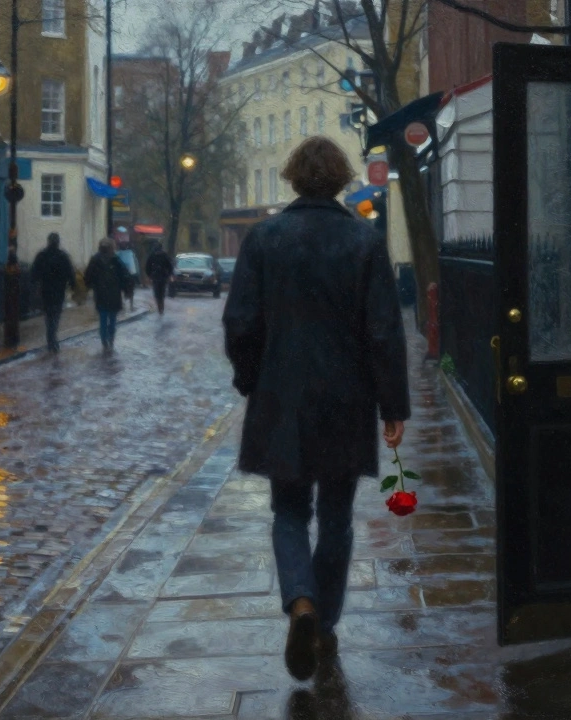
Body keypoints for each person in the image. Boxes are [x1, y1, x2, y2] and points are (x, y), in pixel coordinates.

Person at [223, 136, 410, 682]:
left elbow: (240, 324)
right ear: (341, 179)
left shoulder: (262, 240)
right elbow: (383, 331)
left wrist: (250, 378)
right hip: (347, 399)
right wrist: (392, 404)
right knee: (335, 515)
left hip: (282, 398)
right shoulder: (363, 241)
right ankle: (324, 623)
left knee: (287, 512)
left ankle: (300, 603)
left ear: (293, 178)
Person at [31, 232, 77, 353]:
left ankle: (51, 338)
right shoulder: (63, 256)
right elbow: (70, 272)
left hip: (46, 290)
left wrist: (35, 285)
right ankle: (53, 338)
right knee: (55, 315)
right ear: (58, 242)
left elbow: (34, 273)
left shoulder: (42, 255)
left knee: (48, 315)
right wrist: (73, 285)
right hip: (58, 290)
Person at [84, 238, 132, 351]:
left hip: (101, 294)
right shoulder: (116, 260)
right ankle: (110, 338)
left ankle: (104, 340)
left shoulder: (95, 259)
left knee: (103, 318)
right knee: (112, 319)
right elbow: (125, 276)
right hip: (114, 295)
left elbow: (88, 276)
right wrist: (127, 291)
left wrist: (89, 285)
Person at [144, 241, 173, 315]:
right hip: (161, 277)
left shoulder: (153, 255)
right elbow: (170, 266)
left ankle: (160, 307)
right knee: (161, 293)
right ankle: (161, 307)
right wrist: (169, 275)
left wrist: (149, 275)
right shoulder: (164, 255)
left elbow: (147, 267)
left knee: (158, 293)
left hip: (156, 277)